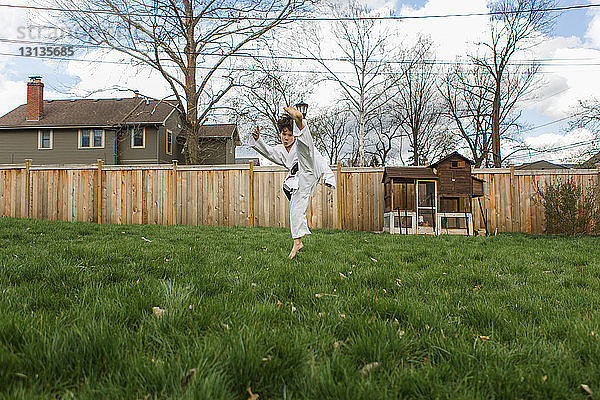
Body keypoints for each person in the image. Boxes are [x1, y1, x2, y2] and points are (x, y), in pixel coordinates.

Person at [249, 106, 336, 259]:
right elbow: (268, 152)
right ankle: (298, 242)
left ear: (294, 135)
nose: (287, 138)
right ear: (280, 134)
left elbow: (320, 160)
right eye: (284, 134)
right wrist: (258, 140)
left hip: (309, 166)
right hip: (300, 179)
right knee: (295, 208)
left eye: (290, 134)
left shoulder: (298, 144)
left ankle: (300, 123)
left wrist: (329, 177)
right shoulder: (281, 150)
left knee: (305, 147)